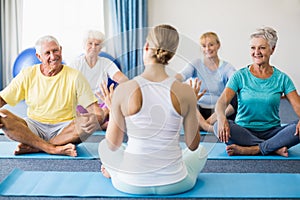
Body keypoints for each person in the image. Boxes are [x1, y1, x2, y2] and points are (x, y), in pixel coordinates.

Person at [98, 24, 207, 195]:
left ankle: (113, 173)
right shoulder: (185, 92)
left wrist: (112, 110)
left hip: (131, 184)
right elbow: (193, 146)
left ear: (147, 47)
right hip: (176, 183)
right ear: (172, 54)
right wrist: (191, 105)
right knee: (201, 151)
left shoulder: (124, 89)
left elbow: (112, 145)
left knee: (107, 148)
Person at [0, 35, 105, 156]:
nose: (53, 56)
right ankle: (52, 148)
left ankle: (38, 146)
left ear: (60, 50)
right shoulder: (27, 74)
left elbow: (97, 112)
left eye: (55, 51)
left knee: (88, 120)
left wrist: (96, 119)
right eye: (47, 53)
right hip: (34, 126)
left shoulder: (75, 76)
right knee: (3, 116)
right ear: (38, 57)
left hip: (64, 130)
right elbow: (2, 99)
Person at [214, 27, 300, 157]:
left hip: (273, 131)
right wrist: (221, 118)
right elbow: (221, 103)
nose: (256, 52)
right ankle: (273, 147)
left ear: (272, 49)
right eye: (253, 48)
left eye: (262, 48)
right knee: (217, 126)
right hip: (243, 131)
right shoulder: (240, 76)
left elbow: (297, 106)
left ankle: (253, 149)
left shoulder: (282, 78)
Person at [176, 32, 237, 132]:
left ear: (218, 45)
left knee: (237, 96)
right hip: (198, 111)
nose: (207, 49)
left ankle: (204, 124)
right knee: (184, 92)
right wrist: (169, 81)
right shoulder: (196, 64)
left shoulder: (227, 67)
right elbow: (182, 75)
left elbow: (236, 80)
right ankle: (207, 127)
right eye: (204, 46)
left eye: (211, 45)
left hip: (218, 112)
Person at [70, 30, 128, 125]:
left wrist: (120, 89)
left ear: (101, 48)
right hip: (81, 106)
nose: (93, 47)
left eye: (97, 44)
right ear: (84, 45)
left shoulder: (106, 63)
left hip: (102, 106)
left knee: (112, 105)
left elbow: (122, 79)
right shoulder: (76, 64)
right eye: (90, 43)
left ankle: (95, 123)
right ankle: (100, 124)